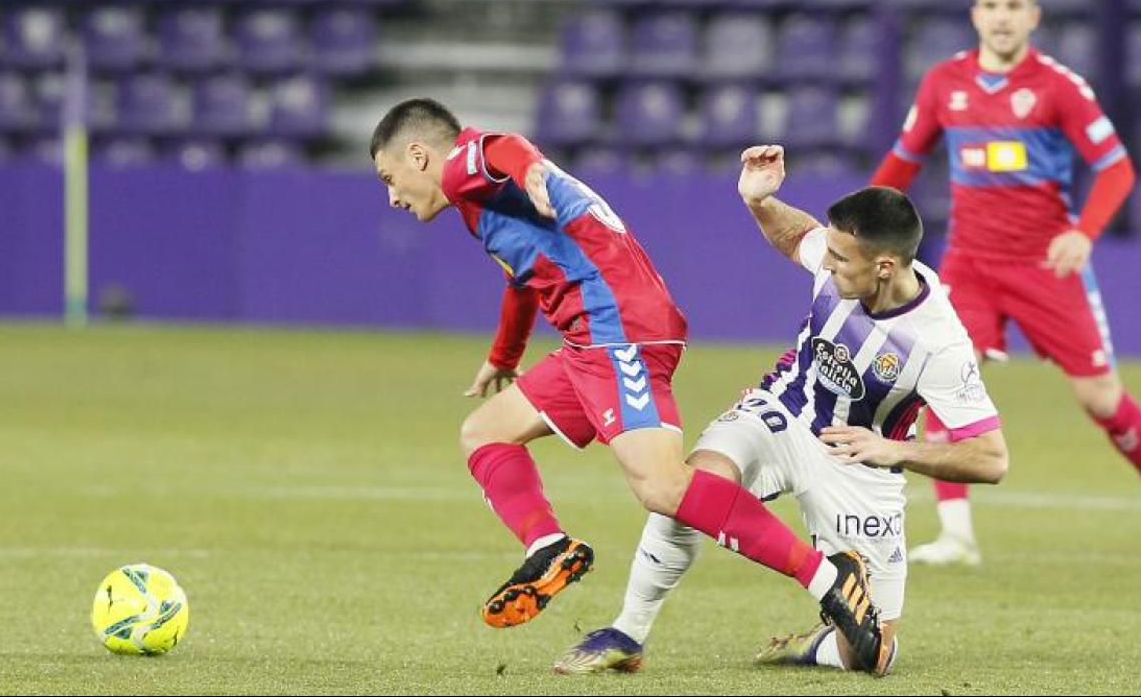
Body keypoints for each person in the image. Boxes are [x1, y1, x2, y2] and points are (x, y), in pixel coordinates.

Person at [370, 100, 887, 670]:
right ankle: (548, 548)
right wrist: (504, 355)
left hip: (618, 328)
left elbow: (501, 149)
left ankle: (826, 575)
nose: (392, 196)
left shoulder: (464, 164)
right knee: (486, 433)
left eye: (389, 179)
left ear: (418, 155)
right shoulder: (479, 207)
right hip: (589, 339)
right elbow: (522, 280)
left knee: (663, 487)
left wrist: (530, 169)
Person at [555, 146, 1008, 676]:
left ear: (884, 267)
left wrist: (892, 449)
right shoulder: (842, 260)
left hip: (859, 460)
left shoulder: (939, 343)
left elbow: (991, 458)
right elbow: (797, 235)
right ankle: (627, 632)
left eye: (840, 259)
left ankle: (813, 645)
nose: (827, 262)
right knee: (685, 490)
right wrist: (758, 201)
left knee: (872, 655)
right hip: (783, 412)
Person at [870, 0, 1141, 566]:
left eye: (1013, 7)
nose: (1002, 18)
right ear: (975, 15)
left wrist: (1084, 232)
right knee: (939, 383)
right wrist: (859, 226)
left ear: (1032, 16)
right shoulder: (943, 84)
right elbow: (902, 164)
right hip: (970, 266)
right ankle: (957, 535)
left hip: (1045, 267)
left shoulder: (1058, 87)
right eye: (991, 6)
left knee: (1101, 400)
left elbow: (1116, 167)